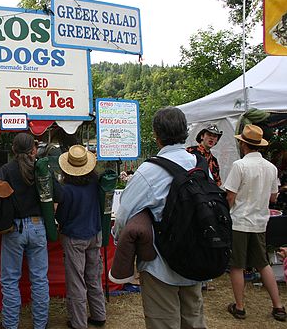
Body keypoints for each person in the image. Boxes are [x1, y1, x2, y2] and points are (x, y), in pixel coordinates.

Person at [113, 106, 206, 329]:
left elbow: (124, 216)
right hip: (195, 258)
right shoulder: (200, 165)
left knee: (164, 323)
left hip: (160, 264)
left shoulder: (149, 171)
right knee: (193, 321)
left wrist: (120, 240)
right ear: (185, 132)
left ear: (156, 135)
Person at [223, 124, 286, 321]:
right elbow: (273, 198)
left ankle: (240, 307)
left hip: (239, 221)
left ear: (243, 144)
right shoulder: (271, 168)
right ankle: (278, 306)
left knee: (237, 265)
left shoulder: (239, 166)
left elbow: (230, 197)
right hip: (260, 221)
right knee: (263, 263)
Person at [0, 133, 49, 329]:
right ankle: (40, 325)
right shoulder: (41, 169)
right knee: (40, 279)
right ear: (33, 150)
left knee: (9, 281)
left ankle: (10, 325)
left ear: (13, 150)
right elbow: (59, 195)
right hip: (38, 226)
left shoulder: (5, 171)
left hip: (13, 229)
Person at [55, 145, 106, 329]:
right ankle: (99, 315)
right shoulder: (95, 183)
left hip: (75, 237)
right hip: (95, 233)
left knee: (77, 281)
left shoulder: (66, 190)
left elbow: (61, 217)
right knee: (93, 277)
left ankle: (78, 322)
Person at [187, 123, 222, 291]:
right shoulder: (190, 153)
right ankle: (192, 275)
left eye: (215, 136)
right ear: (202, 136)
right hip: (191, 202)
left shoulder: (213, 161)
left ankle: (204, 278)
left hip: (208, 204)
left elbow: (217, 182)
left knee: (207, 238)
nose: (212, 138)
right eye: (209, 135)